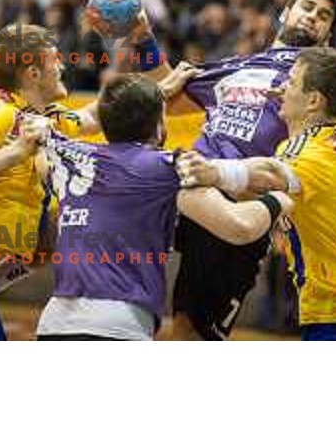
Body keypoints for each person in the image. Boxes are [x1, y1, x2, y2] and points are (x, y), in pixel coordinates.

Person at [0, 21, 196, 341]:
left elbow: (95, 116)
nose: (61, 64)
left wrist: (160, 91)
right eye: (54, 58)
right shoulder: (0, 113)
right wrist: (15, 153)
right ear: (32, 73)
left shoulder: (42, 120)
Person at [143, 0, 336, 340]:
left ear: (328, 33)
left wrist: (322, 94)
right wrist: (139, 35)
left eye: (323, 15)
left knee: (192, 331)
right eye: (307, 7)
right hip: (188, 181)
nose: (313, 16)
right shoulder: (237, 64)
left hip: (237, 198)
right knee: (126, 291)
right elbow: (170, 97)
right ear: (286, 12)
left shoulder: (325, 78)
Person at [36, 74, 292, 341]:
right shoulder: (170, 166)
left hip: (53, 324)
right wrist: (279, 201)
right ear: (159, 125)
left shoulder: (65, 155)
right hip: (117, 325)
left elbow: (42, 129)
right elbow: (240, 227)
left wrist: (142, 96)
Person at [178, 48, 336, 341]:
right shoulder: (319, 139)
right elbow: (262, 189)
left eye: (292, 82)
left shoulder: (312, 154)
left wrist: (212, 171)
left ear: (313, 101)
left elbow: (269, 173)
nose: (281, 87)